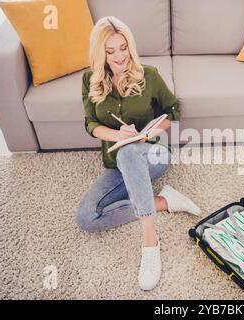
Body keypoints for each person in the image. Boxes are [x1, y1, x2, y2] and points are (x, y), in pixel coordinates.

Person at [75, 16, 201, 291]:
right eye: (110, 51)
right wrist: (117, 136)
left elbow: (173, 112)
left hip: (153, 156)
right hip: (115, 162)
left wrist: (147, 134)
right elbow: (90, 123)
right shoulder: (90, 80)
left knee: (131, 153)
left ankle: (149, 241)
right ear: (100, 53)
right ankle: (163, 201)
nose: (120, 56)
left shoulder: (150, 76)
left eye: (123, 48)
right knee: (86, 217)